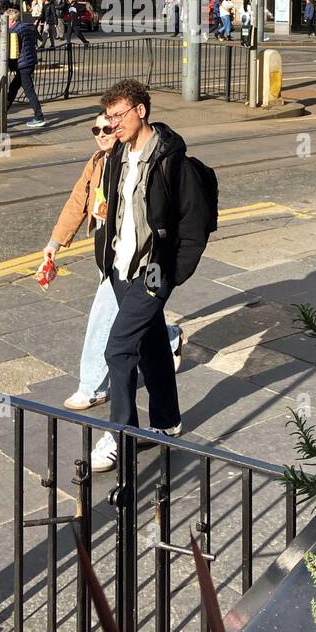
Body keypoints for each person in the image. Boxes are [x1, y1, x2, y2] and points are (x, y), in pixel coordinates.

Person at [87, 78, 215, 472]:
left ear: (141, 111)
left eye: (118, 116)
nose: (111, 125)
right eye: (108, 118)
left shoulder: (170, 161)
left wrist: (172, 275)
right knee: (153, 343)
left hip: (152, 273)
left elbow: (194, 226)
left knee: (118, 350)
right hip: (120, 268)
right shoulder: (117, 156)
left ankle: (121, 435)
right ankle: (167, 421)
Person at [38, 111, 183, 412]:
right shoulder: (96, 163)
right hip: (106, 248)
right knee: (133, 317)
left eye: (108, 127)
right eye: (96, 129)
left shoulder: (131, 159)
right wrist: (54, 244)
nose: (102, 133)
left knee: (103, 315)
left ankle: (92, 386)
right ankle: (168, 340)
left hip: (131, 254)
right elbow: (78, 202)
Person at [4, 7, 46, 128]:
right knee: (13, 88)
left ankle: (39, 117)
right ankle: (1, 111)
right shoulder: (25, 27)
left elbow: (13, 52)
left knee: (29, 91)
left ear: (11, 20)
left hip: (22, 65)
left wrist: (9, 66)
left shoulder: (13, 31)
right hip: (29, 62)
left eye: (6, 20)